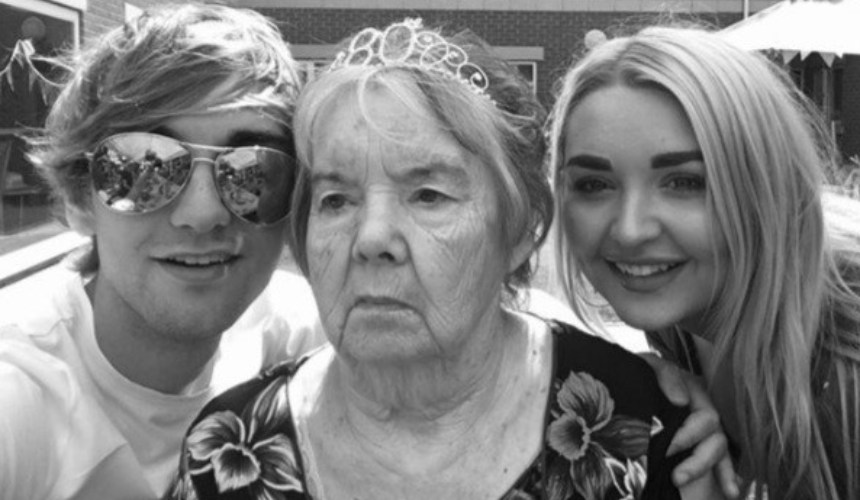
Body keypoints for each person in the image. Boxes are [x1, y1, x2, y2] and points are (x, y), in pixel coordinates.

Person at [167, 19, 725, 500]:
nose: (371, 238)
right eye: (337, 199)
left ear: (521, 230)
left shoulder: (644, 427)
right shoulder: (228, 449)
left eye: (428, 195)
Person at [0, 4, 325, 499]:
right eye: (141, 165)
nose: (203, 213)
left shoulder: (299, 336)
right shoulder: (19, 390)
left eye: (256, 171)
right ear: (79, 198)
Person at [547, 25, 860, 500]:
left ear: (766, 185)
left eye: (685, 183)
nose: (630, 230)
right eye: (594, 185)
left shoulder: (845, 366)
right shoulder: (681, 321)